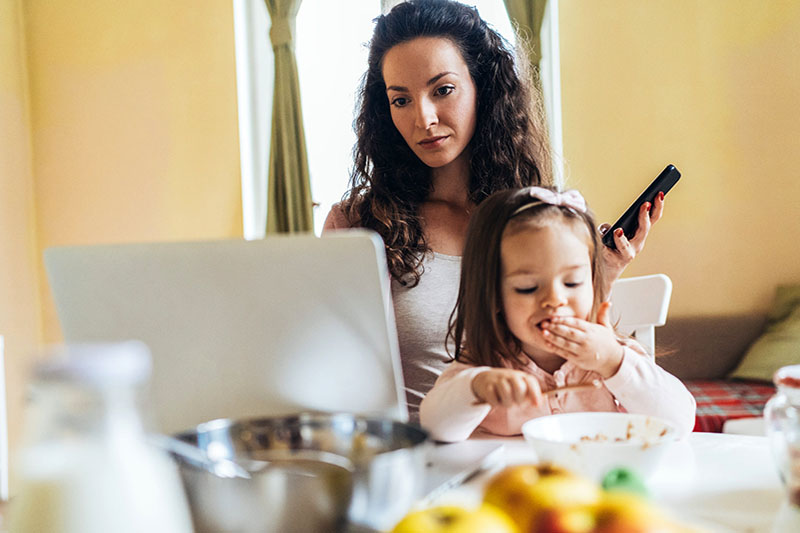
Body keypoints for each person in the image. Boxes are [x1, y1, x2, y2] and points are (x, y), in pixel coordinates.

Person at [323, 0, 665, 420]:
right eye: (401, 100)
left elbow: (553, 352)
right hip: (418, 454)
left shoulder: (537, 216)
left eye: (442, 90)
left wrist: (601, 277)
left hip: (524, 449)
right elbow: (332, 372)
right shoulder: (358, 225)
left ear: (482, 86)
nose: (423, 118)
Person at [418, 187, 696, 441]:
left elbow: (680, 423)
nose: (554, 300)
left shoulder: (610, 355)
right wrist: (476, 389)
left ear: (593, 281)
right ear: (493, 295)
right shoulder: (487, 366)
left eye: (572, 283)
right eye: (527, 288)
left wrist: (615, 362)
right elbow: (435, 428)